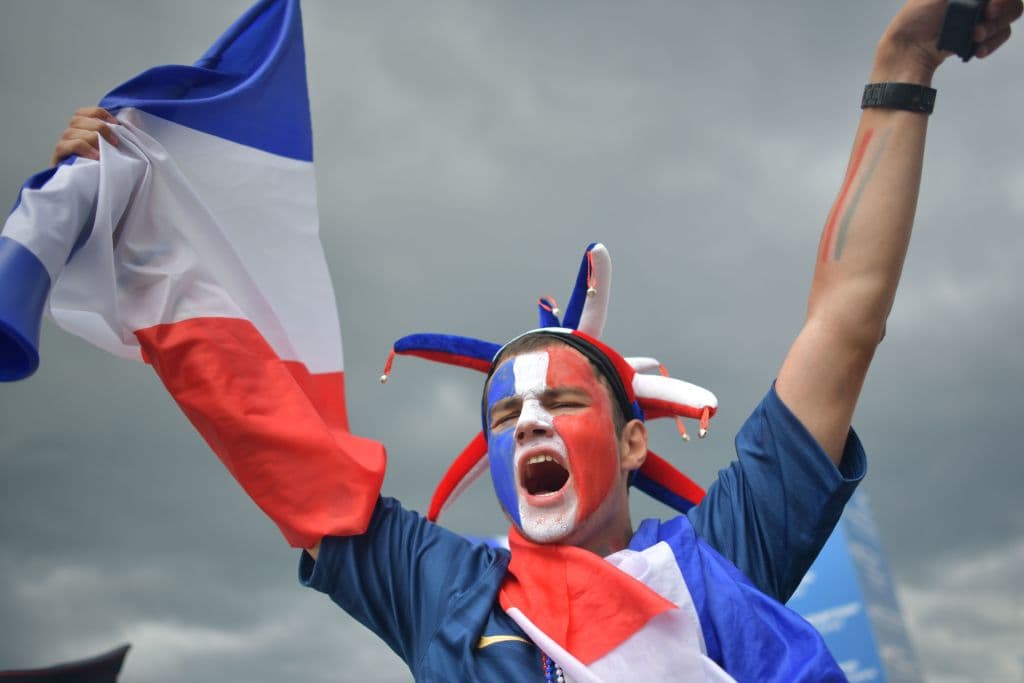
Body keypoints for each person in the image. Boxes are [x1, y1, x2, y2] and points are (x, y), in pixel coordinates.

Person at [49, 0, 1022, 680]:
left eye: (559, 400)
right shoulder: (443, 588)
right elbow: (262, 422)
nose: (528, 423)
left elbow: (844, 320)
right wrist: (138, 228)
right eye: (507, 409)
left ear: (633, 440)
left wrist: (902, 63)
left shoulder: (718, 557)